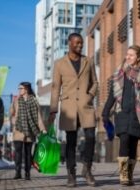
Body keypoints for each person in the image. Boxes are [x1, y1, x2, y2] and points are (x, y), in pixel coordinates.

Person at [49, 33, 98, 187]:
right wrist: (53, 110)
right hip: (68, 108)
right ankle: (71, 174)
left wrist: (89, 96)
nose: (80, 45)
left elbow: (95, 82)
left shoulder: (88, 61)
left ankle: (87, 169)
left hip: (86, 106)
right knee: (71, 141)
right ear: (69, 43)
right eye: (77, 43)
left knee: (91, 136)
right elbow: (56, 87)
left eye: (81, 43)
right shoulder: (59, 63)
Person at [102, 45, 140, 186]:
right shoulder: (120, 73)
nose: (128, 57)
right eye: (127, 54)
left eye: (131, 55)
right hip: (122, 113)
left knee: (133, 145)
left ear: (138, 57)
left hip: (138, 115)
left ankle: (129, 173)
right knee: (124, 141)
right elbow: (112, 95)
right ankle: (124, 175)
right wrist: (105, 111)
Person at [10, 82, 46, 180]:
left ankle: (27, 173)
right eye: (19, 88)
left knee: (27, 153)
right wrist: (14, 120)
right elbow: (11, 112)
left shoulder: (34, 100)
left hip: (30, 130)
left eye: (20, 88)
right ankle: (17, 172)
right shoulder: (17, 100)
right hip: (18, 129)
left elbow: (38, 116)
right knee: (18, 152)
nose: (19, 90)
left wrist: (42, 129)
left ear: (26, 89)